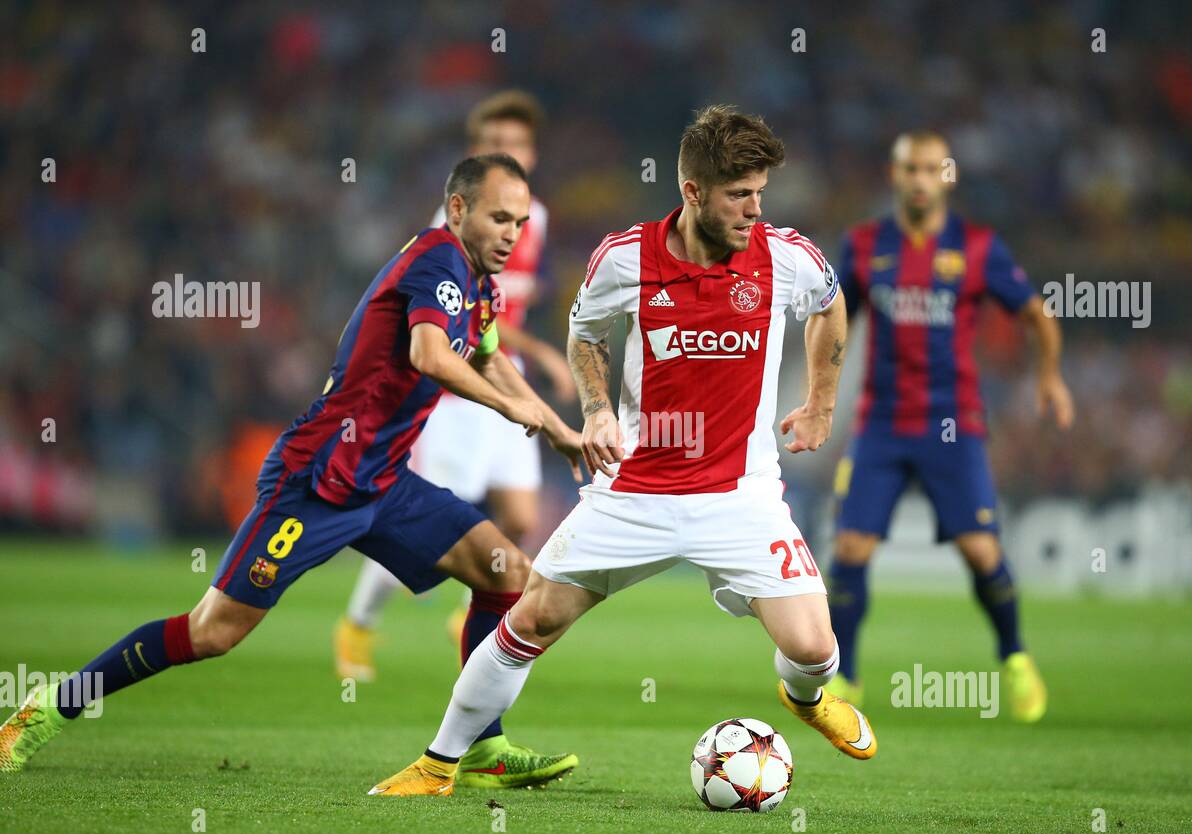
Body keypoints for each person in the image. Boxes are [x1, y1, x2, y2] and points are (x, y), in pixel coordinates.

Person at [1, 155, 583, 791]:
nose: (511, 233)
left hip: (383, 480)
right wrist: (514, 408)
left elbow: (492, 354)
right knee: (213, 630)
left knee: (504, 574)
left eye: (520, 223)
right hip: (320, 479)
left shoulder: (479, 283)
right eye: (499, 217)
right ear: (459, 209)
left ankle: (479, 748)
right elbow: (429, 354)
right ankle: (47, 707)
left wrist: (552, 425)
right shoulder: (438, 259)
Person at [367, 106, 878, 798]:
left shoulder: (787, 257)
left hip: (742, 494)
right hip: (636, 489)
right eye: (739, 196)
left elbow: (831, 304)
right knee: (531, 618)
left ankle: (807, 701)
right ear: (692, 191)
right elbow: (586, 336)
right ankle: (438, 764)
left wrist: (820, 403)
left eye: (761, 193)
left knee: (815, 650)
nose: (755, 210)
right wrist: (598, 409)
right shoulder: (624, 258)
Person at [825, 130, 1075, 721]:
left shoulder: (978, 247)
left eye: (931, 169)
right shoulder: (862, 246)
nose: (919, 179)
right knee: (850, 547)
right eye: (910, 168)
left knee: (980, 550)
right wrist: (821, 392)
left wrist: (1050, 377)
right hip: (881, 423)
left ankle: (1015, 657)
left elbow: (1037, 313)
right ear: (894, 173)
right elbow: (834, 320)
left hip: (952, 423)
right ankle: (847, 678)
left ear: (949, 175)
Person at [334, 90, 575, 687]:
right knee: (430, 522)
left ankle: (471, 610)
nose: (509, 151)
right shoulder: (450, 229)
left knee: (519, 515)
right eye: (497, 143)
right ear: (475, 156)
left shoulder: (533, 219)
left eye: (518, 144)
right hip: (455, 391)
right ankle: (358, 623)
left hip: (500, 374)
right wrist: (540, 350)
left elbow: (513, 295)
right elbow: (466, 314)